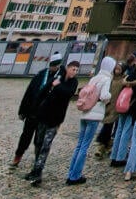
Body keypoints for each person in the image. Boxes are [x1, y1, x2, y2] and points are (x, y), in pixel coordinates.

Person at [25, 60, 80, 186]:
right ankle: (35, 168)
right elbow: (43, 90)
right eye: (73, 69)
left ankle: (38, 173)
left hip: (55, 119)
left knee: (45, 145)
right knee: (38, 143)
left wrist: (57, 86)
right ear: (68, 68)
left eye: (77, 70)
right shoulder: (58, 76)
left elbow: (68, 93)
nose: (74, 72)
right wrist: (35, 108)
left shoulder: (73, 82)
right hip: (43, 114)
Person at [65, 56, 115, 184]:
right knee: (85, 146)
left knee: (80, 144)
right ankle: (75, 176)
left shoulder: (94, 77)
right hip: (95, 114)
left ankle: (71, 173)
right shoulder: (107, 78)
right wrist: (109, 96)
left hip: (85, 112)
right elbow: (104, 96)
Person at [11, 52, 64, 168]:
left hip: (45, 115)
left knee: (39, 140)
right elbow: (29, 93)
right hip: (32, 112)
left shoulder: (60, 79)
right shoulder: (41, 75)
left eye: (56, 65)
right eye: (52, 65)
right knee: (25, 136)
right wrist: (22, 111)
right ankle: (18, 155)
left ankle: (37, 160)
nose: (54, 67)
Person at [110, 57, 136, 166]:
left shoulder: (127, 78)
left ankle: (114, 157)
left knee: (119, 131)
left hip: (121, 107)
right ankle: (120, 158)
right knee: (126, 132)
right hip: (131, 109)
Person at [94, 60, 125, 158]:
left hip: (117, 107)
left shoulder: (123, 80)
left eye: (119, 69)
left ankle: (103, 146)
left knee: (110, 126)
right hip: (108, 105)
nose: (117, 70)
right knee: (107, 125)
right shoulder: (110, 78)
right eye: (116, 68)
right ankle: (106, 145)